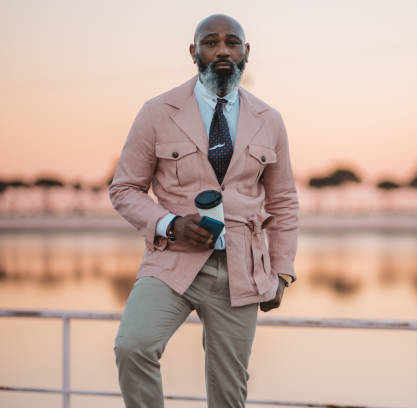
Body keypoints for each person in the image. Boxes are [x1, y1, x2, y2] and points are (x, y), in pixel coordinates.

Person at [108, 14, 299, 408]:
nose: (223, 50)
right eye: (211, 42)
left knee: (229, 391)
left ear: (247, 53)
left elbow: (283, 201)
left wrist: (281, 272)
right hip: (170, 262)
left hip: (241, 268)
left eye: (233, 42)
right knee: (133, 347)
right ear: (194, 52)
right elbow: (124, 188)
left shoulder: (270, 120)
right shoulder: (157, 112)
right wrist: (171, 224)